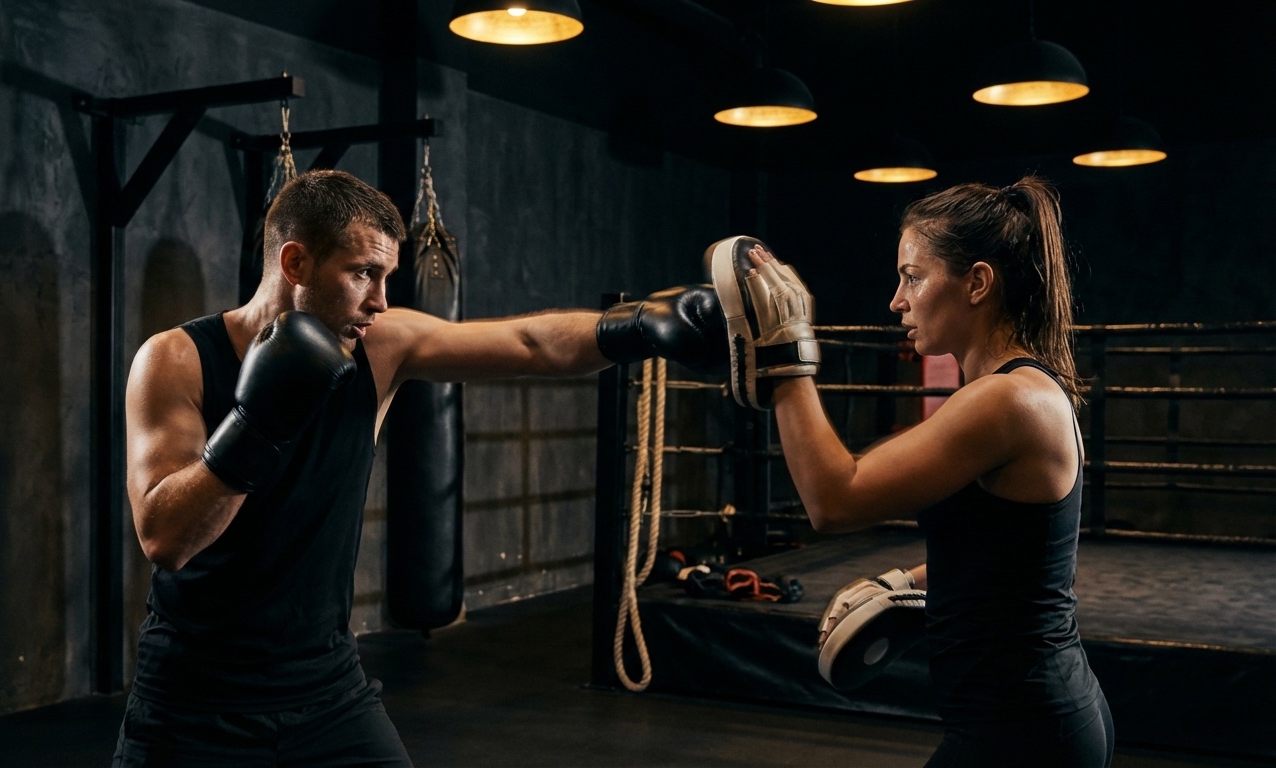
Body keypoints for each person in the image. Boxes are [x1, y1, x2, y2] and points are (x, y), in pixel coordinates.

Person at [114, 169, 726, 767]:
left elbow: (529, 344)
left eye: (387, 277)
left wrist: (637, 326)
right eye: (363, 274)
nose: (380, 301)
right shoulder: (177, 360)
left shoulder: (380, 345)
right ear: (294, 264)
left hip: (327, 691)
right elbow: (166, 539)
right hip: (194, 702)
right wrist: (258, 422)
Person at [709, 177, 1113, 767]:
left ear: (976, 282)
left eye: (912, 276)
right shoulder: (1016, 390)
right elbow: (1017, 549)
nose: (896, 300)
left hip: (1023, 729)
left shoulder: (1007, 401)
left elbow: (833, 499)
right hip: (1030, 718)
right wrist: (907, 581)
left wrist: (786, 350)